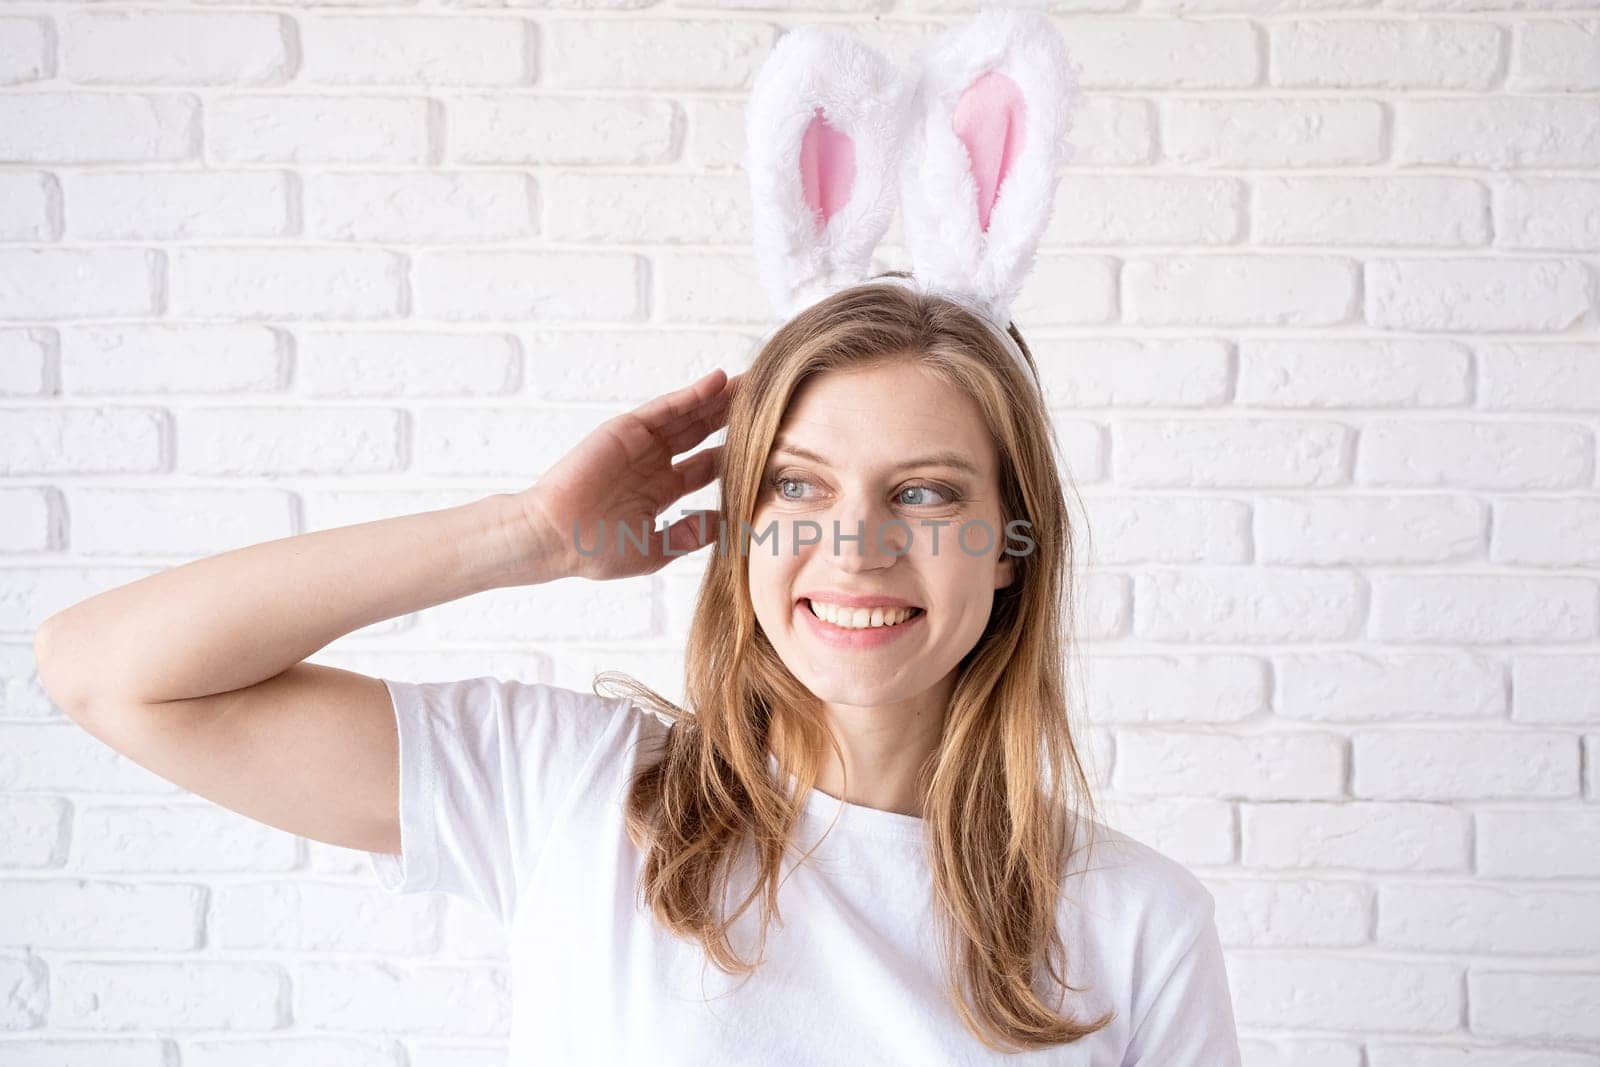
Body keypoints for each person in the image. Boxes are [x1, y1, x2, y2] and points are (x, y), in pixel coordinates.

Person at [34, 279, 1240, 1065]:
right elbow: (106, 671)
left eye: (923, 492)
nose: (854, 546)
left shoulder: (1136, 922)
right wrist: (525, 535)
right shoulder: (573, 788)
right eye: (797, 486)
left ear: (1012, 547)